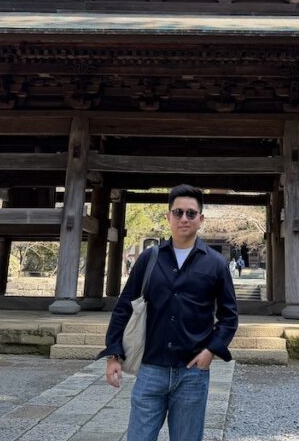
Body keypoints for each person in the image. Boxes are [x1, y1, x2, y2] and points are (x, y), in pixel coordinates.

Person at [100, 184, 238, 441]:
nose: (184, 219)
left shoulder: (216, 264)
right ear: (168, 217)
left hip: (192, 372)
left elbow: (229, 316)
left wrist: (210, 351)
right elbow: (124, 307)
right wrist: (113, 354)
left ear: (201, 219)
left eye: (190, 213)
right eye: (177, 213)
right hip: (151, 368)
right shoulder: (149, 259)